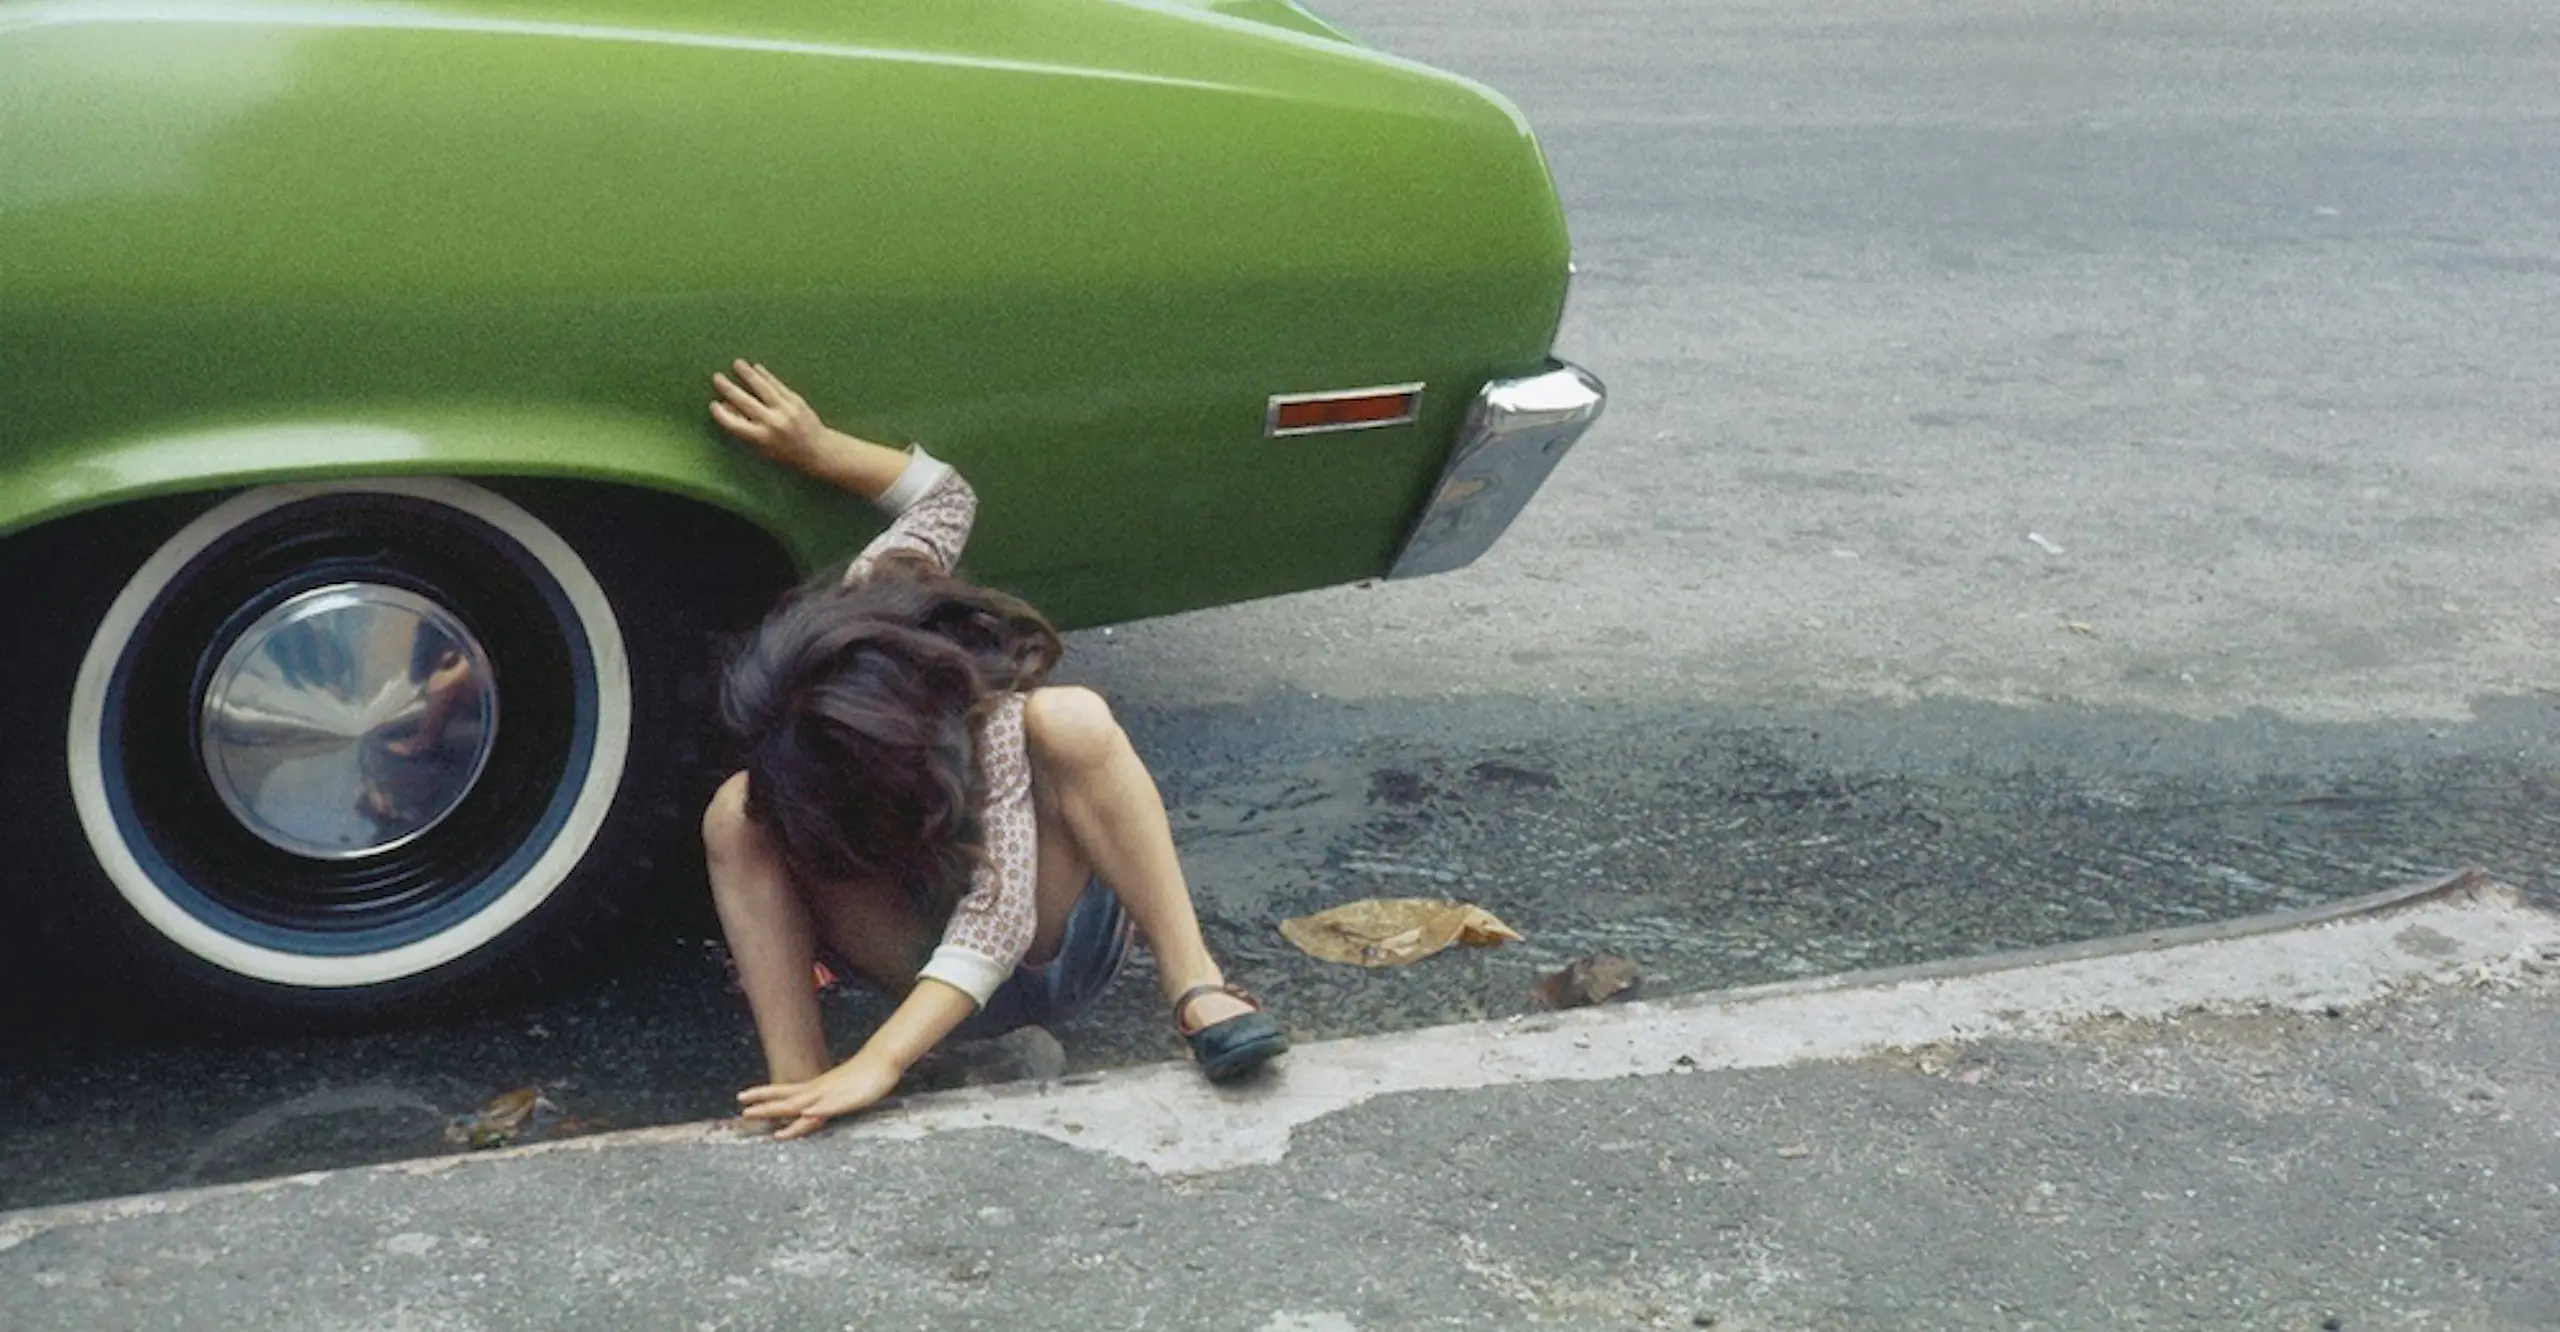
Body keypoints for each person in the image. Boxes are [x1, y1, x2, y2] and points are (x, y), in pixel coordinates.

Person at [698, 360, 1288, 1140]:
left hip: (1041, 956)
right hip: (904, 948)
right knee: (738, 809)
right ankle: (798, 1078)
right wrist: (814, 450)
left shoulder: (994, 724)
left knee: (1072, 720)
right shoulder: (877, 593)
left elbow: (998, 921)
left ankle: (1196, 985)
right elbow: (945, 495)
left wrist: (883, 1061)